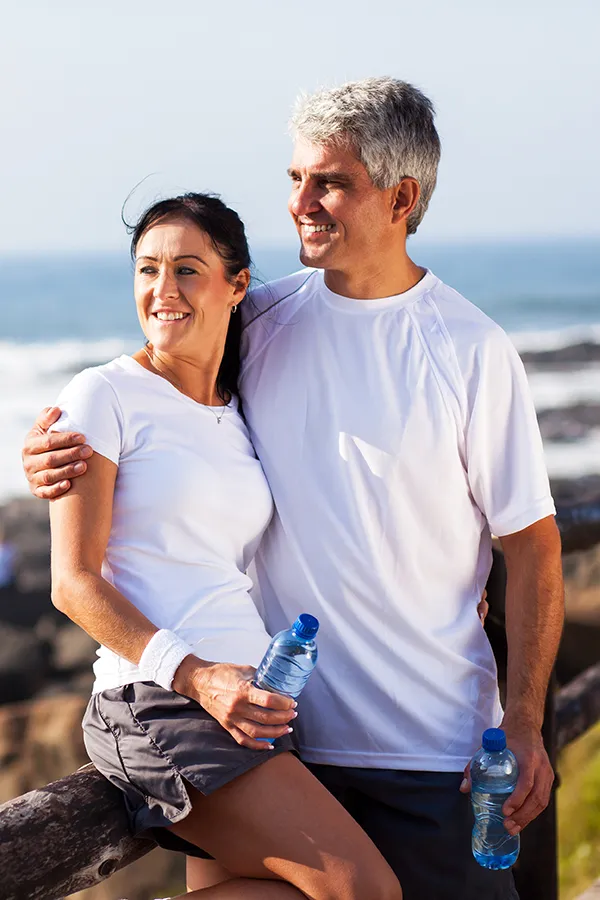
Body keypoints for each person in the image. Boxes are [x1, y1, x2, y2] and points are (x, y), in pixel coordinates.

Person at [23, 77, 564, 900]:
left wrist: (523, 723)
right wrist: (51, 453)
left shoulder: (469, 348)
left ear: (401, 196)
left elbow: (531, 543)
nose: (301, 202)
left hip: (436, 754)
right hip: (289, 735)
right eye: (294, 179)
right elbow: (157, 390)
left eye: (330, 182)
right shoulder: (260, 323)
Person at [38, 192, 402, 900]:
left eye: (187, 270)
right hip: (163, 700)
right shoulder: (102, 395)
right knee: (365, 891)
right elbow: (72, 582)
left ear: (237, 286)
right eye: (147, 270)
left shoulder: (235, 412)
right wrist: (199, 676)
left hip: (249, 701)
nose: (162, 291)